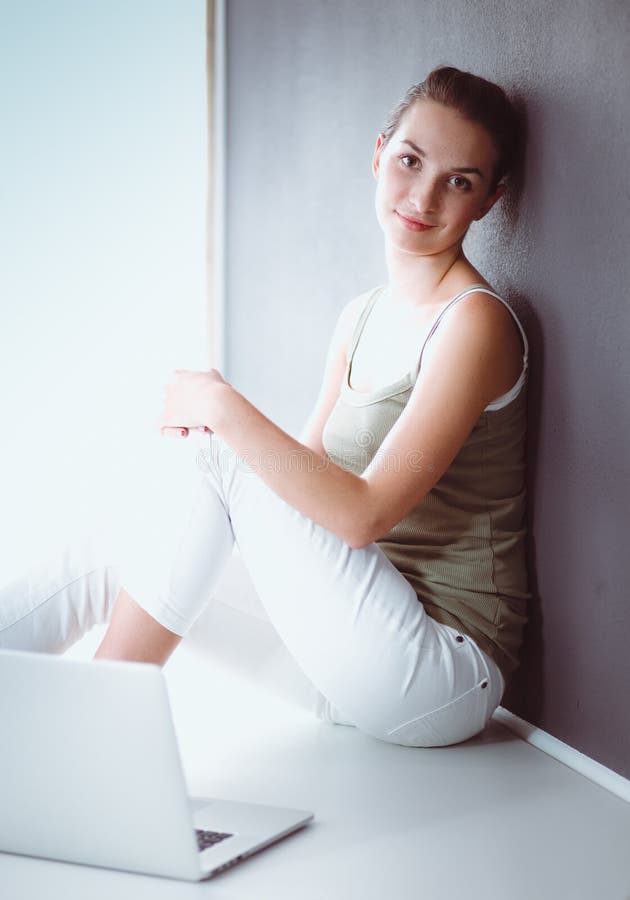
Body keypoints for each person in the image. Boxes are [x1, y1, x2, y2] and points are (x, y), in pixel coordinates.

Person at [0, 66, 530, 747]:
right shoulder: (361, 316)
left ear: (489, 200)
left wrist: (222, 408)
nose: (423, 196)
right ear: (378, 155)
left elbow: (364, 514)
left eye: (459, 181)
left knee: (221, 449)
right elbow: (302, 486)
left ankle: (87, 748)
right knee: (123, 543)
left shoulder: (474, 324)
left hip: (440, 673)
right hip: (349, 642)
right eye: (409, 160)